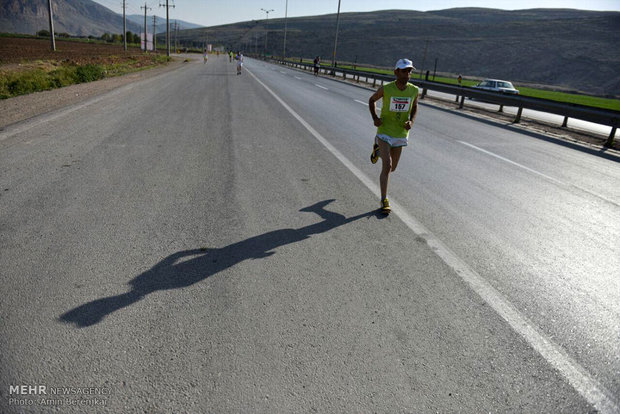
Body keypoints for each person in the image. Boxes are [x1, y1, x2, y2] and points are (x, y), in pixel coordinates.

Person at [368, 58, 419, 213]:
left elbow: (415, 107)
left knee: (393, 168)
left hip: (400, 133)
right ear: (396, 72)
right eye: (404, 71)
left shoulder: (414, 90)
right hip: (384, 131)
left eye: (409, 71)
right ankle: (384, 200)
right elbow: (372, 100)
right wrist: (375, 118)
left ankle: (377, 151)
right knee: (387, 165)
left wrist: (411, 121)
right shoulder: (387, 88)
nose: (407, 74)